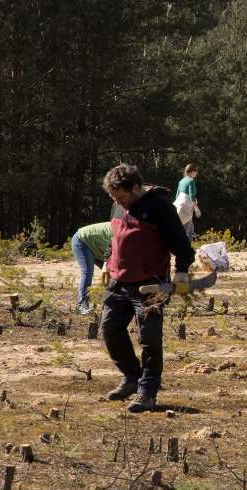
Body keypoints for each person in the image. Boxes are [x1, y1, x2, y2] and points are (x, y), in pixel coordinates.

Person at [101, 163, 195, 413]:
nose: (118, 202)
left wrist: (182, 272)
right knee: (109, 330)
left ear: (134, 188)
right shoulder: (119, 205)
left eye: (121, 197)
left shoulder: (159, 206)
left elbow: (182, 246)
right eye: (114, 198)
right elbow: (115, 237)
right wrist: (106, 262)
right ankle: (132, 377)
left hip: (151, 284)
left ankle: (148, 393)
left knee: (149, 340)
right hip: (119, 281)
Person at [71, 222, 112, 315]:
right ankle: (82, 305)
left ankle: (111, 305)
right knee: (87, 272)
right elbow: (111, 252)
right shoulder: (119, 232)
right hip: (82, 241)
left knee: (113, 276)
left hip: (97, 246)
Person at [173, 163, 201, 241]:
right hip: (186, 207)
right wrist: (196, 208)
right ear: (191, 171)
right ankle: (185, 251)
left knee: (190, 230)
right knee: (186, 232)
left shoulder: (181, 181)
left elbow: (177, 196)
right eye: (195, 171)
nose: (196, 173)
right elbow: (191, 195)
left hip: (178, 206)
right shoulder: (191, 180)